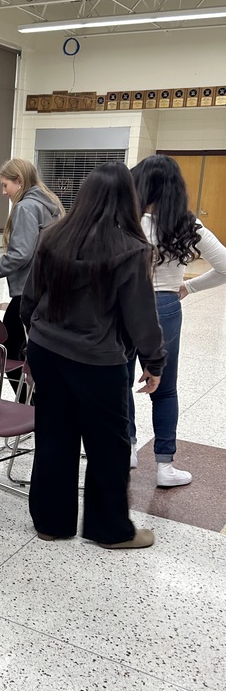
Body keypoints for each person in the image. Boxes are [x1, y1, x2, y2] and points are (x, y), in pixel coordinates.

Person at [20, 163, 165, 550]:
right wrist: (155, 362)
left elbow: (29, 299)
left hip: (47, 350)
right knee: (108, 446)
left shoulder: (53, 237)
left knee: (54, 435)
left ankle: (51, 523)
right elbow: (141, 317)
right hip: (97, 360)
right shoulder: (131, 250)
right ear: (126, 201)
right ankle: (110, 529)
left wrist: (33, 345)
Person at [128, 154, 226, 487]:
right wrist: (190, 286)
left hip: (123, 306)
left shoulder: (125, 219)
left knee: (119, 379)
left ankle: (126, 447)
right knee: (165, 391)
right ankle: (165, 467)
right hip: (166, 306)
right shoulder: (187, 224)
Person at [0, 158, 63, 390]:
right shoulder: (51, 204)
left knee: (10, 349)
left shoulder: (26, 207)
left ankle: (26, 405)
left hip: (29, 293)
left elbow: (20, 254)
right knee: (35, 352)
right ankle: (33, 404)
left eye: (5, 185)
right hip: (50, 289)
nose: (4, 192)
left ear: (20, 181)